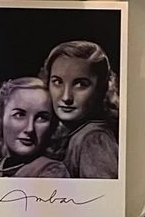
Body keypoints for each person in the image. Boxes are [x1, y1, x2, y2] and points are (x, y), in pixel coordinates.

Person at [41, 40, 119, 180]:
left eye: (80, 84)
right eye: (57, 82)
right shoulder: (72, 133)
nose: (66, 97)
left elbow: (104, 193)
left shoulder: (94, 140)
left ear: (102, 88)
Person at [0, 77, 69, 179]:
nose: (30, 129)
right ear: (0, 117)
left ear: (53, 125)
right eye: (19, 115)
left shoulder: (51, 171)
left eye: (41, 118)